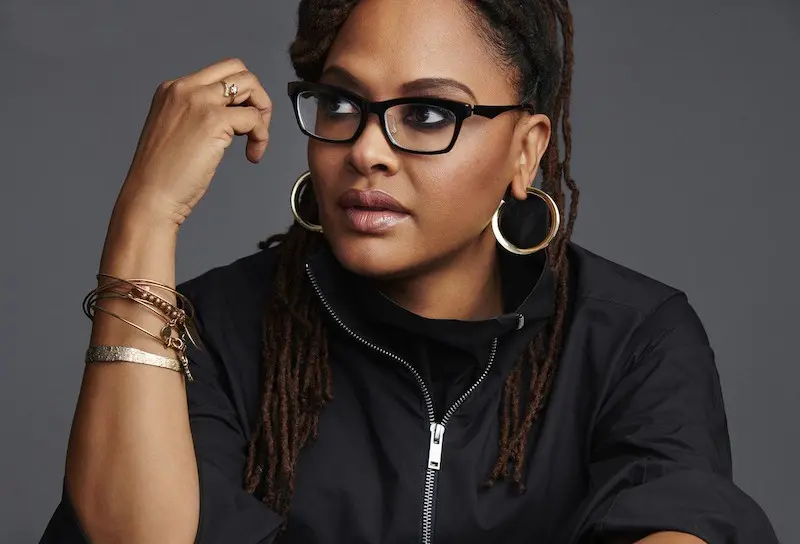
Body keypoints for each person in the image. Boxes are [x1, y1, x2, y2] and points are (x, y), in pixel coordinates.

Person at [40, 0, 779, 543]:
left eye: (428, 114)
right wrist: (145, 215)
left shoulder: (630, 337)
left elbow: (682, 519)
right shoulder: (210, 329)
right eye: (341, 104)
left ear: (526, 151)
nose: (366, 149)